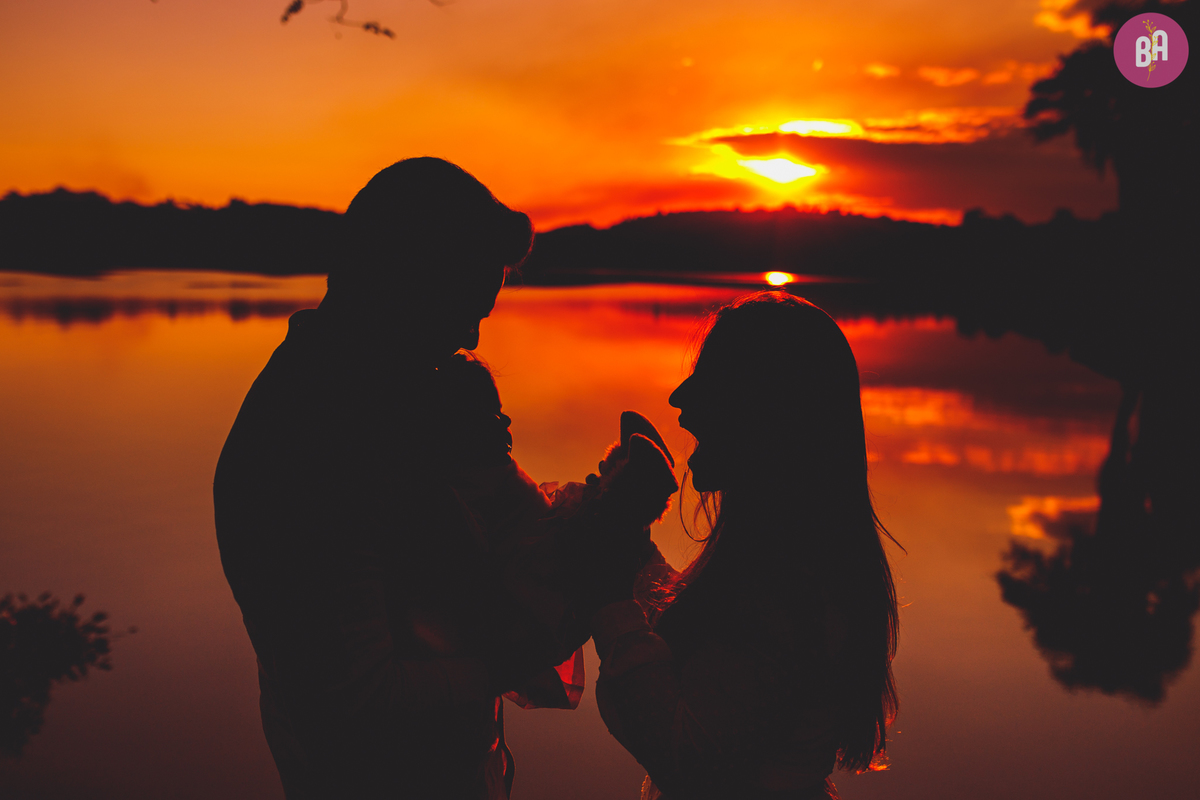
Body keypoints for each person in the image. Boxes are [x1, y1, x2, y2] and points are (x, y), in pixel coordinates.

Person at [214, 157, 669, 799]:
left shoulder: (385, 402)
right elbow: (356, 695)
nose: (472, 336)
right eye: (464, 308)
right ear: (404, 282)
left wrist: (594, 514)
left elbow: (471, 542)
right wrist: (523, 654)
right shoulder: (312, 438)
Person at [588, 292, 901, 800]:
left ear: (766, 410)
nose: (678, 399)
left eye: (708, 381)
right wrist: (627, 545)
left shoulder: (785, 590)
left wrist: (608, 601)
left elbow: (687, 759)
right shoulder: (786, 553)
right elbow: (704, 646)